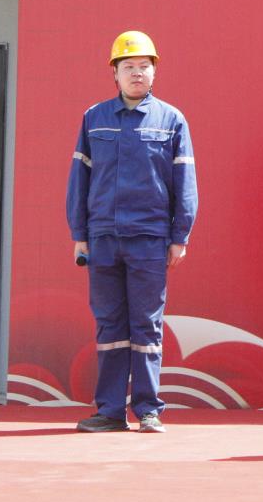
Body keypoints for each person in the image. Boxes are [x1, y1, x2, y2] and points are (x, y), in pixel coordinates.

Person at [67, 30, 197, 434]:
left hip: (149, 239)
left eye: (143, 66)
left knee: (146, 325)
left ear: (154, 72)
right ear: (115, 73)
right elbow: (79, 181)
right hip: (103, 238)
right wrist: (79, 232)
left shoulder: (171, 121)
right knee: (109, 326)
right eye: (128, 67)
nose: (136, 73)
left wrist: (179, 237)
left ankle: (148, 409)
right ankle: (109, 411)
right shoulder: (95, 118)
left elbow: (185, 184)